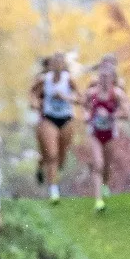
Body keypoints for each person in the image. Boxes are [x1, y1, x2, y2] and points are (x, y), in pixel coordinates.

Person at [32, 55, 77, 203]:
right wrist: (36, 103)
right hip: (47, 118)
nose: (56, 66)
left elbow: (80, 98)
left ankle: (43, 167)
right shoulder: (43, 79)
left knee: (60, 156)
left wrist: (65, 97)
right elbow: (33, 94)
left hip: (66, 119)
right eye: (54, 63)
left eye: (60, 63)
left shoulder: (68, 79)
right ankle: (53, 191)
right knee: (51, 154)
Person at [84, 62, 127, 211]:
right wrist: (87, 115)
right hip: (95, 132)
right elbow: (85, 107)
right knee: (98, 164)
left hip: (110, 133)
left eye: (106, 77)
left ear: (112, 79)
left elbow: (126, 113)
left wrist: (110, 115)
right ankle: (98, 201)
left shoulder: (117, 94)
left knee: (107, 165)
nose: (103, 80)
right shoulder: (91, 93)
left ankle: (105, 184)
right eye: (101, 76)